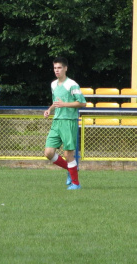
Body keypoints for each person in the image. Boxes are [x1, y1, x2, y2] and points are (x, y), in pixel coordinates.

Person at [43, 57, 86, 190]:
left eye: (59, 68)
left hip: (69, 122)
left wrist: (64, 104)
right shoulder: (53, 84)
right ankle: (71, 168)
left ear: (65, 68)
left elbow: (82, 103)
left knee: (68, 155)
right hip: (56, 122)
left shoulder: (72, 84)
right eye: (55, 68)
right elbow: (57, 102)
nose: (57, 70)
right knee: (48, 153)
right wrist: (49, 110)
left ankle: (76, 184)